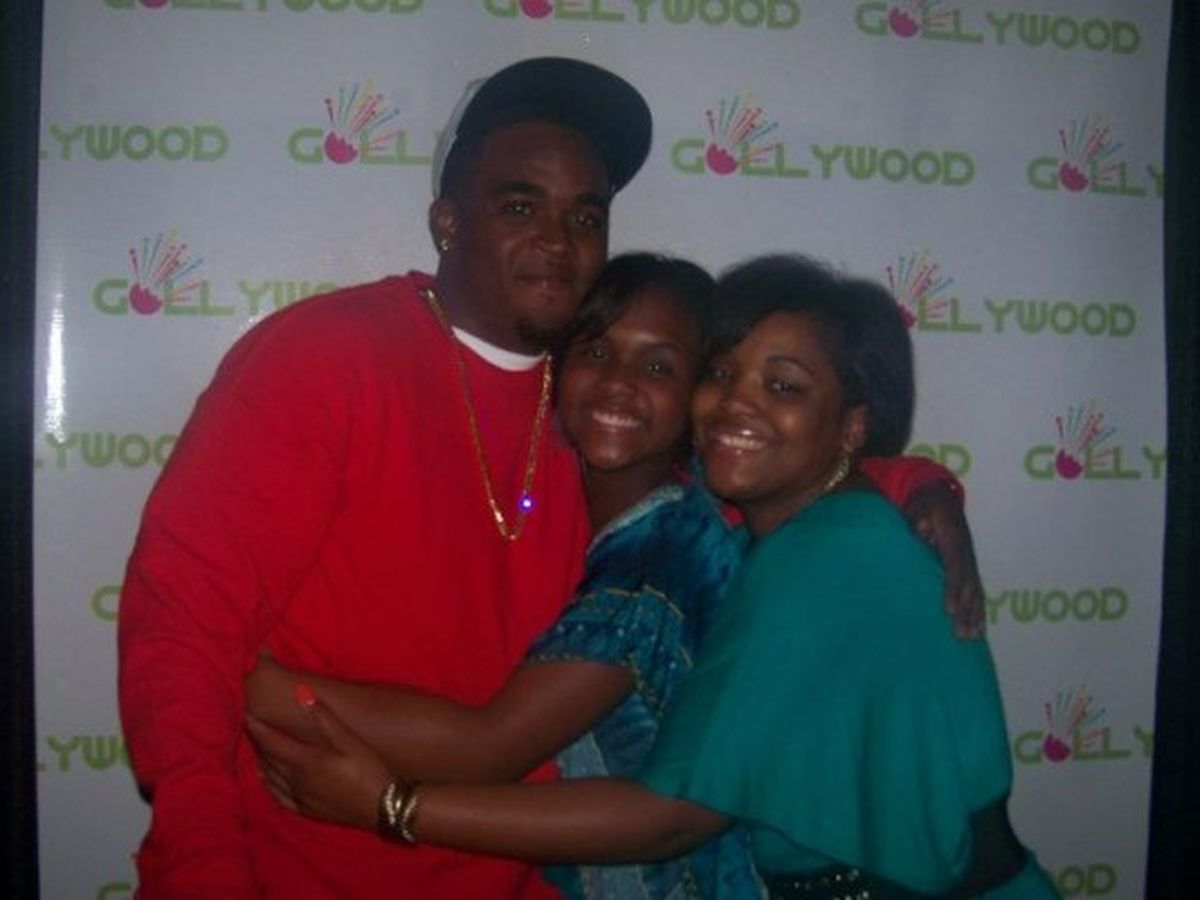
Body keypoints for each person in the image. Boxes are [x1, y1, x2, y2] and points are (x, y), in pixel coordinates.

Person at [248, 255, 1058, 899]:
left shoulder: (809, 553)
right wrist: (922, 484)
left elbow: (672, 814)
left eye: (783, 386)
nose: (736, 404)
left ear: (852, 424)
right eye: (724, 374)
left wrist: (385, 801)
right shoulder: (762, 524)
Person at [118, 57, 654, 899]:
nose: (558, 240)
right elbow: (183, 626)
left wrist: (887, 489)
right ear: (448, 220)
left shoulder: (609, 409)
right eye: (520, 207)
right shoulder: (327, 357)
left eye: (586, 217)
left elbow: (761, 492)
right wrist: (201, 869)